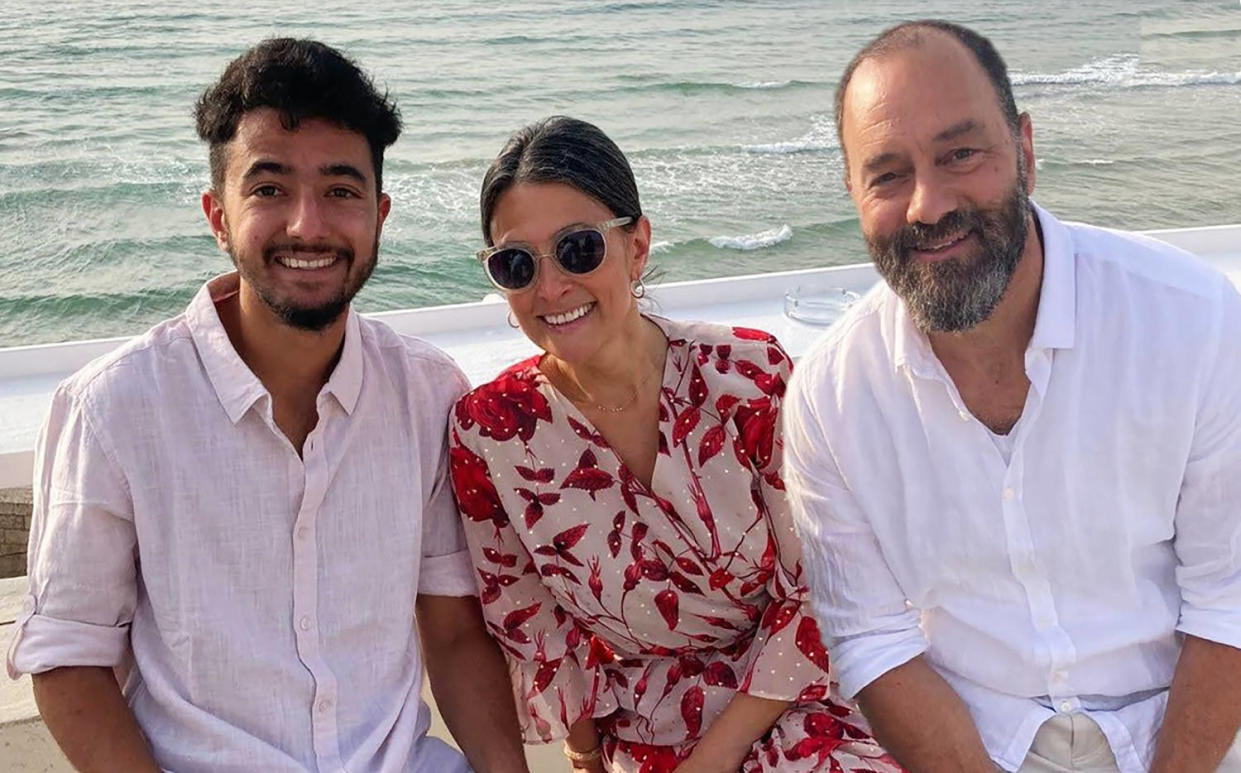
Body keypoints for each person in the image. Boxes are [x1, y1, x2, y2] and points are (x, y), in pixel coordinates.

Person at [5, 38, 527, 773]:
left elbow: (451, 629)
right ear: (218, 215)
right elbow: (67, 655)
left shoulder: (426, 392)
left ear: (378, 214)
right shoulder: (115, 409)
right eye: (269, 189)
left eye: (341, 191)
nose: (307, 225)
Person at [782, 19, 1241, 773]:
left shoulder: (1189, 318)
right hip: (977, 744)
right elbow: (871, 637)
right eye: (887, 173)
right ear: (851, 191)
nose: (928, 205)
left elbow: (1228, 599)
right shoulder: (832, 396)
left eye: (960, 154)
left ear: (1024, 149)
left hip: (1195, 720)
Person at [447, 115, 900, 773]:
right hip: (651, 726)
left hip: (800, 694)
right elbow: (536, 624)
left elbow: (819, 583)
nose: (549, 288)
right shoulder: (489, 432)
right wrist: (585, 753)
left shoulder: (746, 374)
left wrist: (716, 756)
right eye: (516, 263)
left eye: (578, 249)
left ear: (636, 246)